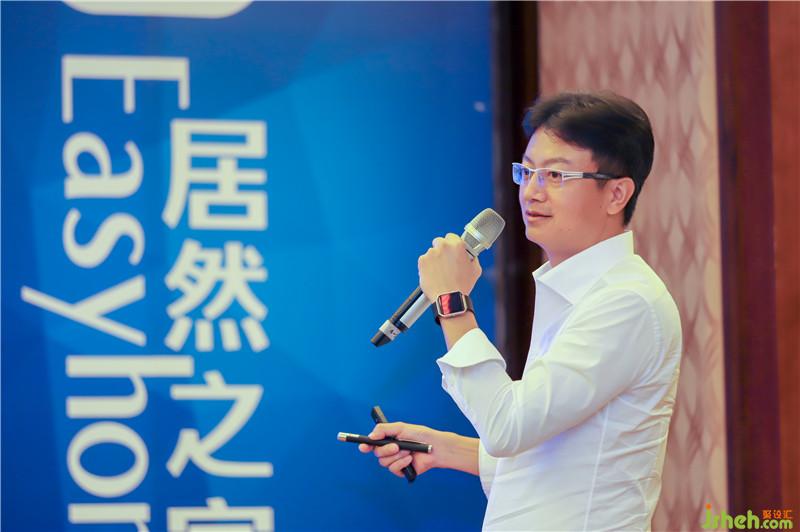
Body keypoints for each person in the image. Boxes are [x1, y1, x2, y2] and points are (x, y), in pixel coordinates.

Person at [359, 91, 682, 531]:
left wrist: (452, 302)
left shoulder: (626, 302)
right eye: (527, 171)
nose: (532, 191)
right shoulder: (579, 290)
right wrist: (440, 448)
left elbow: (508, 427)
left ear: (616, 194)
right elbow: (555, 458)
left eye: (555, 175)